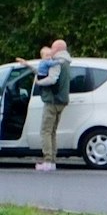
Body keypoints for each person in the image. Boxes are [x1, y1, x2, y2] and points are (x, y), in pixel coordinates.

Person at [34, 40, 72, 171]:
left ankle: (47, 161)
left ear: (58, 48)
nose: (51, 50)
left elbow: (52, 79)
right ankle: (53, 160)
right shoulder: (66, 62)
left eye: (53, 47)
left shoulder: (57, 62)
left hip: (52, 101)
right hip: (62, 101)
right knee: (52, 132)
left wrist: (39, 83)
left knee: (45, 131)